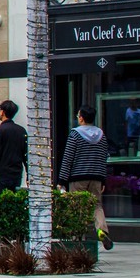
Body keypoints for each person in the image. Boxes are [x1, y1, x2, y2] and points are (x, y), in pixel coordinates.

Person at [57, 105, 114, 250]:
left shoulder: (75, 134)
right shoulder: (101, 135)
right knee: (96, 205)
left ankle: (78, 238)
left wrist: (62, 181)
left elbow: (68, 158)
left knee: (77, 207)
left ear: (81, 118)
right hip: (96, 177)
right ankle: (101, 230)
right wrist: (102, 179)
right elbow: (103, 158)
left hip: (77, 177)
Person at [0, 100, 28, 192]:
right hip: (16, 174)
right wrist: (29, 175)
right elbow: (26, 156)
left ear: (3, 112)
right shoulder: (21, 131)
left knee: (2, 201)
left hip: (2, 175)